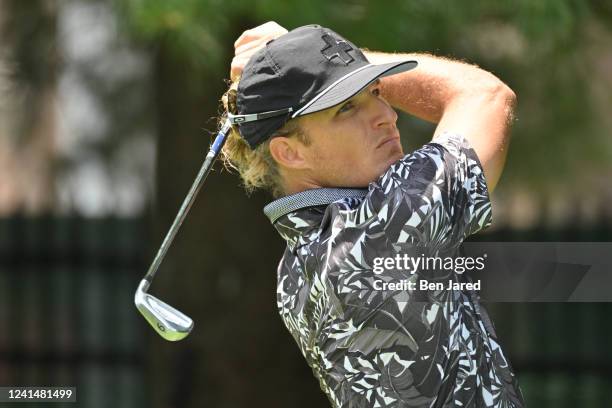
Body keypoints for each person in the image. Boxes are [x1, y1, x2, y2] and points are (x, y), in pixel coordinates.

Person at [221, 21, 524, 408]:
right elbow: (485, 95)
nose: (386, 114)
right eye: (347, 107)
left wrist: (326, 62)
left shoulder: (294, 270)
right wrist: (346, 58)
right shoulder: (381, 228)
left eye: (376, 91)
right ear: (289, 152)